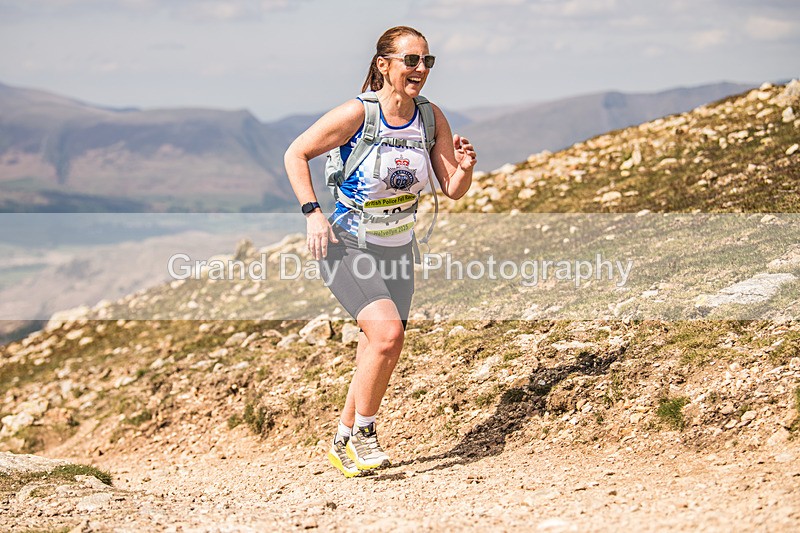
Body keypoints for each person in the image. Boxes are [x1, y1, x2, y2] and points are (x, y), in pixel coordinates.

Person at [284, 25, 476, 478]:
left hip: (397, 248)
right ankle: (367, 434)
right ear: (384, 64)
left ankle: (342, 441)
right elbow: (296, 153)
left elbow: (452, 189)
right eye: (411, 60)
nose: (420, 70)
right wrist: (312, 212)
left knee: (379, 346)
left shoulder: (430, 118)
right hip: (346, 244)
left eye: (427, 61)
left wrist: (465, 169)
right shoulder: (358, 113)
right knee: (388, 336)